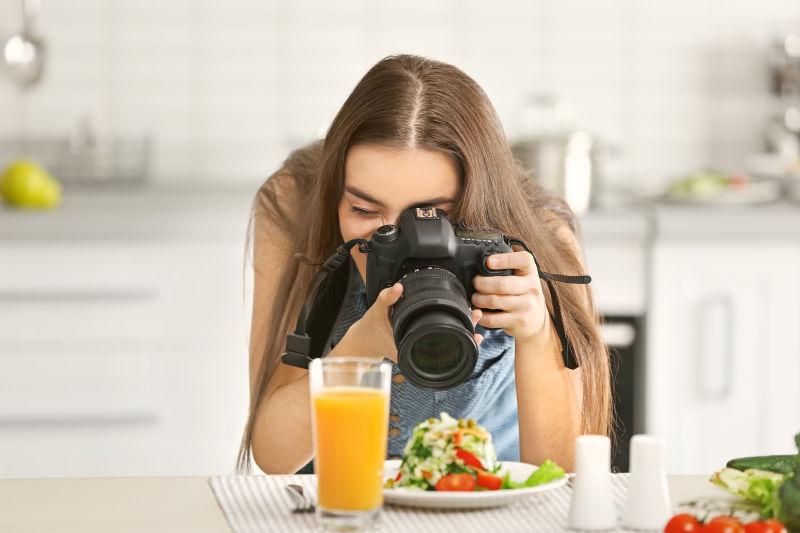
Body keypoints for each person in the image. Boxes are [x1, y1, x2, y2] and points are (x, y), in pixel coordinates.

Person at [238, 54, 611, 475]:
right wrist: (359, 350)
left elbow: (559, 479)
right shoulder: (295, 205)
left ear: (476, 205)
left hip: (489, 501)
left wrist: (537, 334)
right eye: (363, 209)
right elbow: (272, 456)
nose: (396, 240)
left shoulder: (540, 235)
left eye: (430, 216)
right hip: (340, 503)